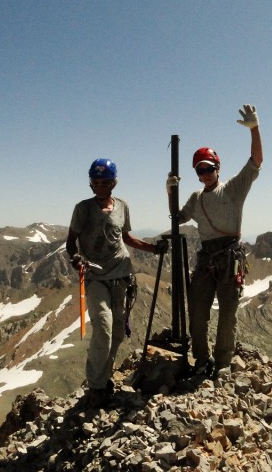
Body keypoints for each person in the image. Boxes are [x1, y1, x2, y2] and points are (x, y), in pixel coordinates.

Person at [166, 104, 263, 377]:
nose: (204, 174)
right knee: (197, 311)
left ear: (217, 168)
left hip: (230, 257)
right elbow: (177, 217)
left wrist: (255, 129)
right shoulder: (196, 198)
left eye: (208, 168)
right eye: (199, 171)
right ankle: (201, 359)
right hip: (207, 258)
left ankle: (221, 363)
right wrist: (169, 190)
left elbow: (256, 160)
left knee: (227, 315)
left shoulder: (233, 189)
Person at [66, 158, 167, 407]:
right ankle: (97, 386)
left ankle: (105, 376)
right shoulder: (83, 209)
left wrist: (154, 248)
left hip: (122, 274)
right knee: (104, 327)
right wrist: (76, 258)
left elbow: (126, 238)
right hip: (95, 276)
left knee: (119, 331)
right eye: (96, 182)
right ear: (91, 183)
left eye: (105, 182)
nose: (100, 186)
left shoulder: (123, 206)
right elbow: (71, 242)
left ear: (114, 183)